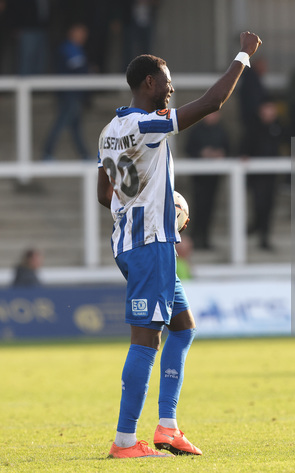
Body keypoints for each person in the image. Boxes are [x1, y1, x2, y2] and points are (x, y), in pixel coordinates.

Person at [96, 31, 262, 459]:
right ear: (148, 83)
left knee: (183, 329)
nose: (171, 87)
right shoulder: (147, 125)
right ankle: (125, 442)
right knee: (146, 340)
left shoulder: (110, 131)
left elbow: (104, 194)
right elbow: (211, 104)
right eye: (167, 81)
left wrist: (152, 202)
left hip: (141, 242)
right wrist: (243, 55)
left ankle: (167, 428)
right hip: (149, 245)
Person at [241, 99, 285, 251]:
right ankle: (255, 227)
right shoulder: (253, 127)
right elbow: (243, 147)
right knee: (259, 205)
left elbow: (286, 142)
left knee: (269, 206)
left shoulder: (278, 127)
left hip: (272, 175)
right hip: (257, 176)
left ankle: (264, 237)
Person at [43, 23, 90, 161]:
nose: (83, 36)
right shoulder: (68, 48)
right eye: (80, 32)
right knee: (60, 124)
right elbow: (78, 69)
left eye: (85, 33)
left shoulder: (77, 49)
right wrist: (89, 70)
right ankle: (47, 154)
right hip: (68, 94)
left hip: (75, 94)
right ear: (72, 32)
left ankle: (84, 156)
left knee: (75, 127)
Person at [185, 110, 230, 250]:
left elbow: (228, 148)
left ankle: (205, 239)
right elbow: (189, 148)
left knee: (210, 208)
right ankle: (194, 238)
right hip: (199, 178)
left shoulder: (221, 130)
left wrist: (219, 154)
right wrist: (202, 153)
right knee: (198, 207)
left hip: (214, 177)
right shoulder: (196, 130)